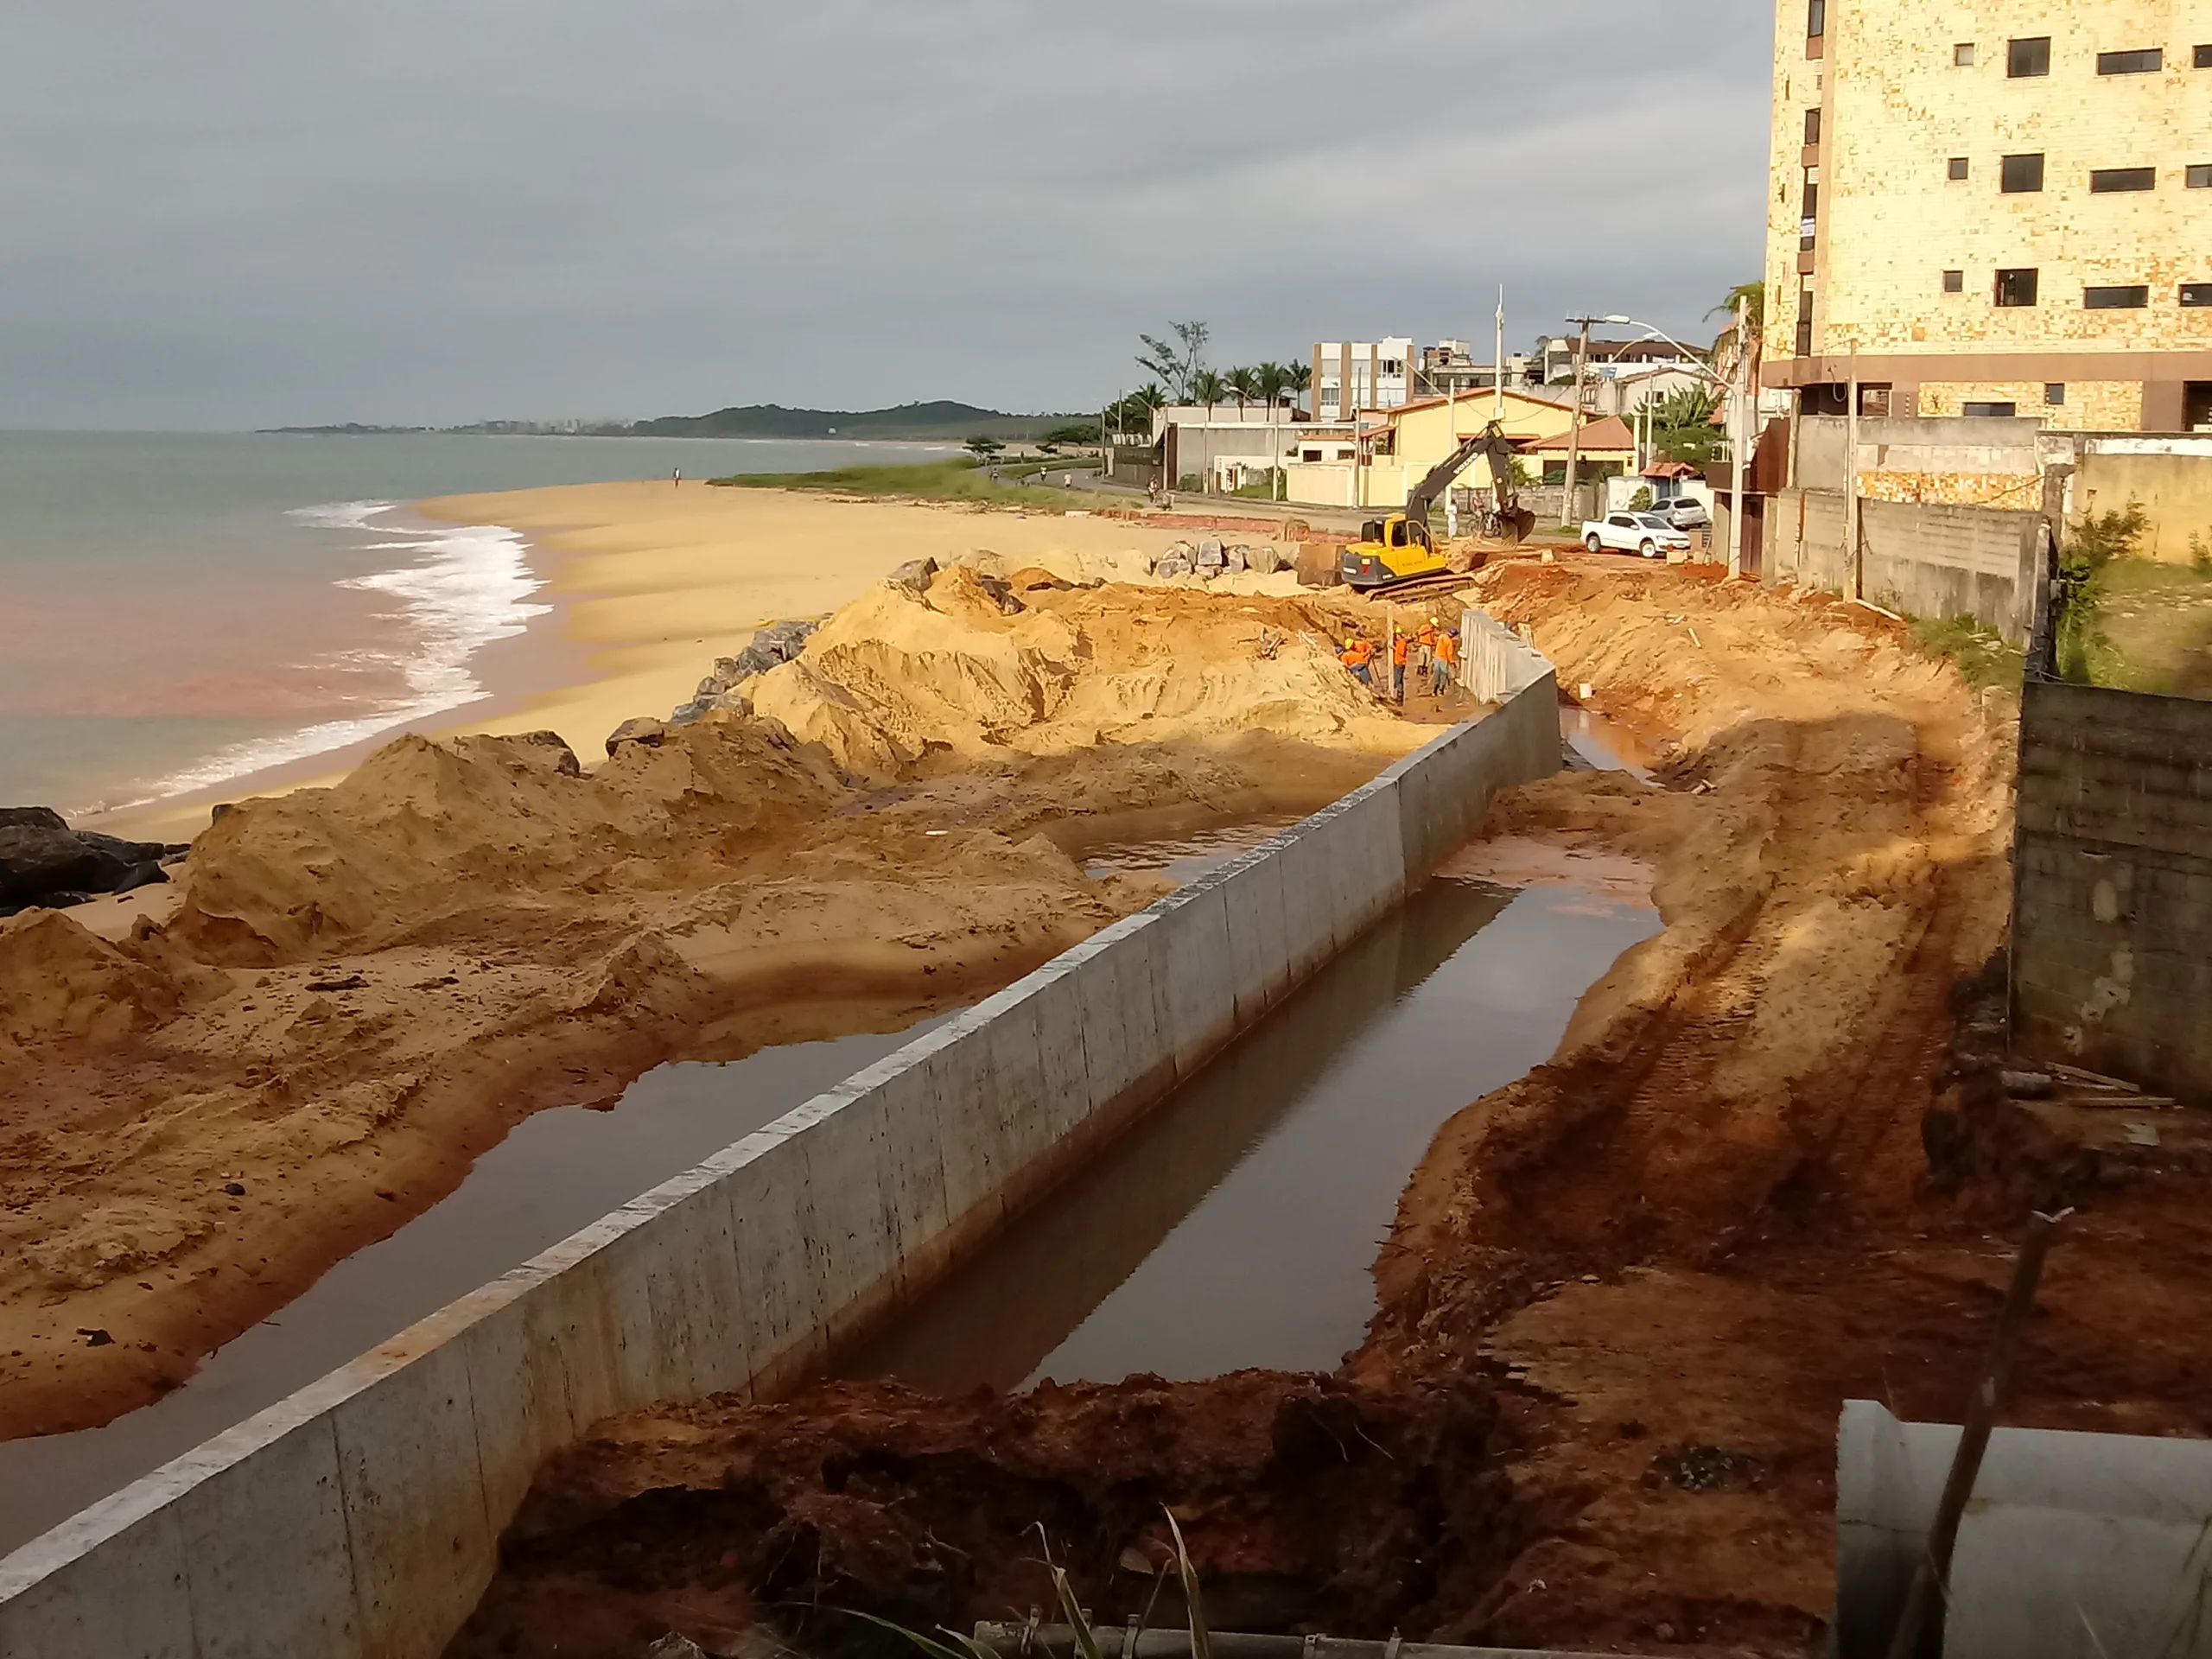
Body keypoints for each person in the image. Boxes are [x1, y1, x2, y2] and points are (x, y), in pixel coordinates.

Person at [1433, 625, 1458, 696]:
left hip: (1437, 657)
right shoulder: (1449, 642)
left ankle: (1434, 690)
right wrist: (1452, 662)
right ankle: (1441, 690)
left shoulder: (1441, 637)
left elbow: (1435, 642)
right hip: (1444, 659)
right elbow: (1449, 653)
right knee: (1443, 674)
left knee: (1437, 673)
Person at [1390, 629, 1410, 702]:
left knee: (1398, 679)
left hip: (1400, 663)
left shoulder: (1402, 643)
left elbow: (1401, 652)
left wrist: (1394, 648)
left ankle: (1400, 696)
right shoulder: (1400, 642)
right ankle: (1399, 695)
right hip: (1398, 662)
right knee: (1397, 679)